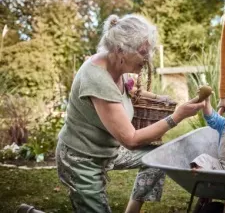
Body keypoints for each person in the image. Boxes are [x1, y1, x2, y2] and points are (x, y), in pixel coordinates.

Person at [55, 14, 205, 213]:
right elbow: (131, 140)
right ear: (120, 50)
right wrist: (177, 116)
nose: (148, 58)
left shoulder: (118, 67)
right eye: (144, 52)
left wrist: (162, 100)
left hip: (108, 151)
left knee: (158, 157)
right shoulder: (97, 79)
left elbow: (133, 91)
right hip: (81, 158)